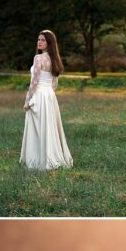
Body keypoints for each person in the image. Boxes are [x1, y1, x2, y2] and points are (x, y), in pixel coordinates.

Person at [20, 30, 73, 171]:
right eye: (38, 39)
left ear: (49, 43)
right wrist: (48, 94)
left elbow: (34, 82)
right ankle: (50, 158)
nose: (39, 42)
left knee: (37, 128)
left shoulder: (38, 58)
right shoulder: (54, 59)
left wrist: (27, 100)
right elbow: (54, 83)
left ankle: (36, 160)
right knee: (49, 127)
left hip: (39, 94)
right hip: (49, 96)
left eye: (43, 40)